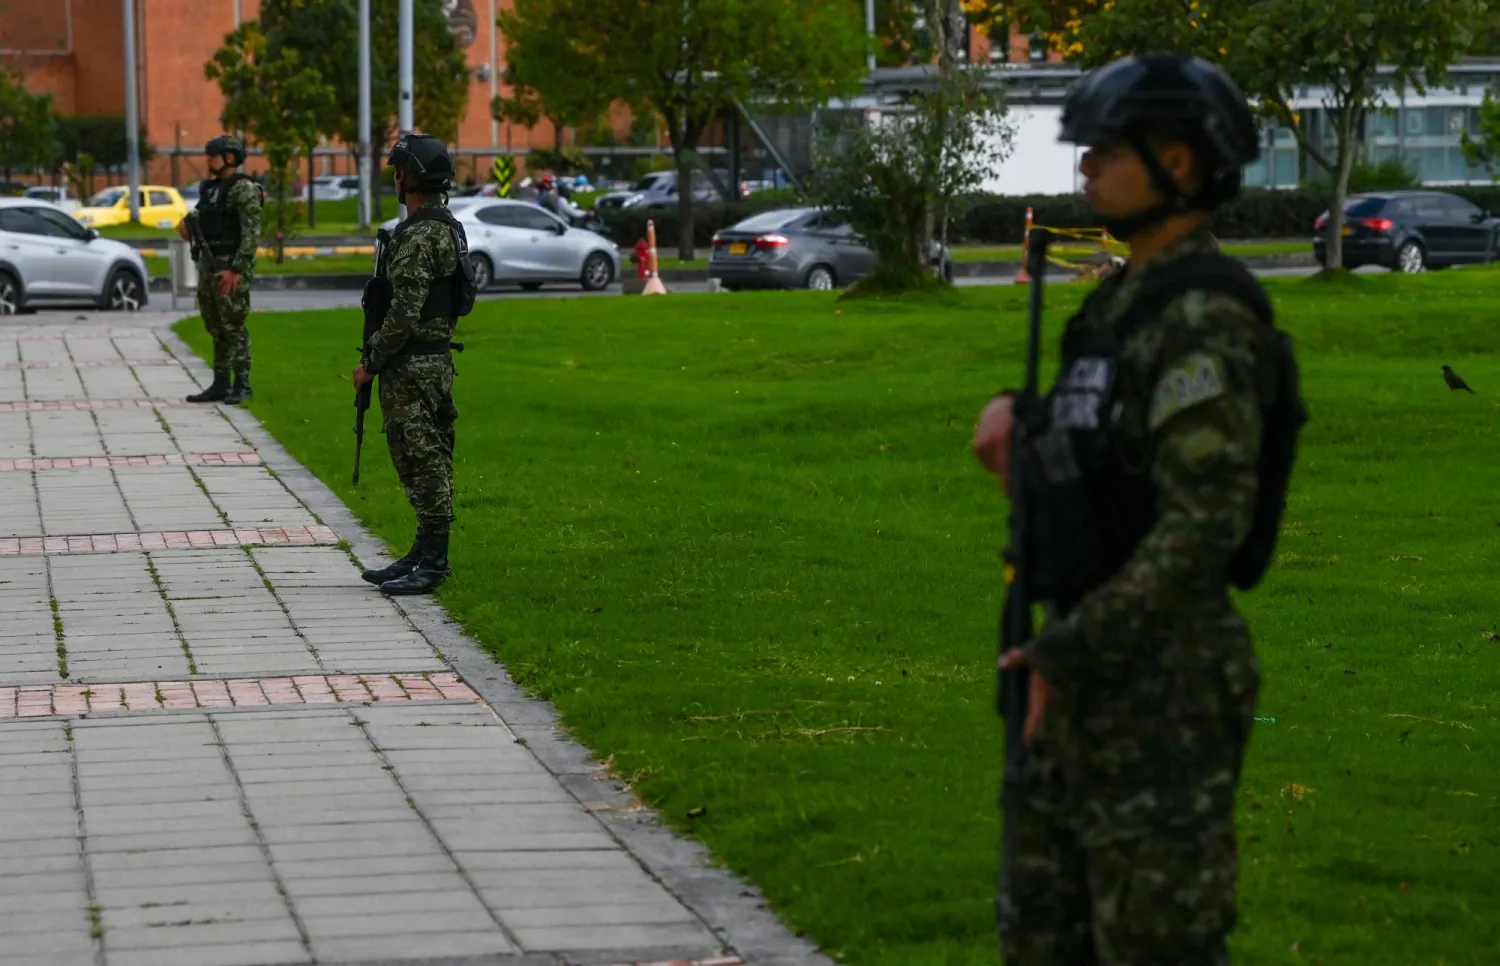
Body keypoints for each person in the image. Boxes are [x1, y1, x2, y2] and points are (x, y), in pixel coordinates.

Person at [972, 54, 1297, 965]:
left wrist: (1065, 655)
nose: (1085, 168)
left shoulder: (1203, 317)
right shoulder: (1119, 306)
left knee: (1153, 944)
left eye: (1106, 151)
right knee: (1041, 936)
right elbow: (1097, 464)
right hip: (1072, 671)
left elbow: (1202, 531)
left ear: (1179, 164)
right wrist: (1018, 423)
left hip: (1159, 692)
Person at [352, 133, 472, 596]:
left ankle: (435, 561)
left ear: (412, 177)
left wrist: (372, 362)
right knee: (420, 455)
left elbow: (404, 309)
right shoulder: (444, 226)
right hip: (431, 361)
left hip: (414, 364)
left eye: (399, 170)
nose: (395, 177)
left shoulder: (422, 234)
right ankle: (422, 550)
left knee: (422, 457)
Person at [179, 135, 262, 405]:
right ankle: (221, 383)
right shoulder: (210, 189)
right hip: (209, 266)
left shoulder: (244, 189)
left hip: (230, 269)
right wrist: (188, 226)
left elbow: (251, 235)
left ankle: (243, 383)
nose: (208, 160)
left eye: (213, 155)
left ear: (229, 158)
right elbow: (202, 220)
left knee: (234, 326)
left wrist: (236, 270)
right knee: (215, 325)